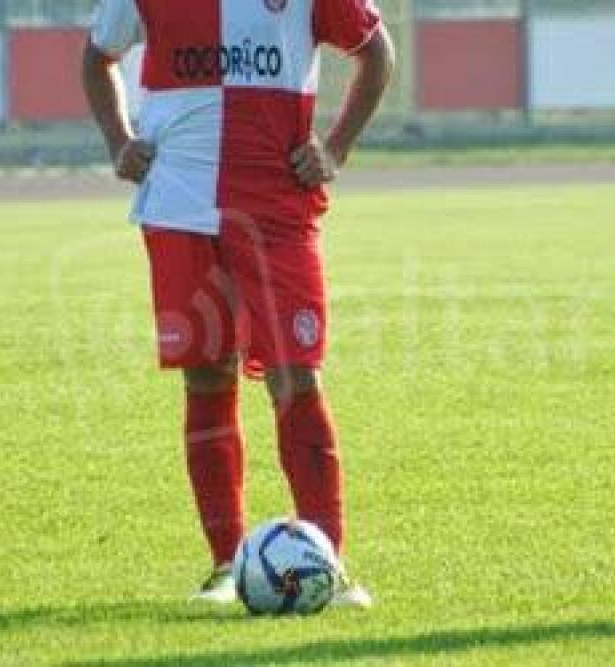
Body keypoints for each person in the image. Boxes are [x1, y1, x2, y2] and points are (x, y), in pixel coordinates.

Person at [82, 0, 394, 605]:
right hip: (180, 204)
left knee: (296, 377)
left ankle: (327, 563)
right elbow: (97, 56)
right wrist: (119, 140)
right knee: (207, 375)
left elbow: (376, 51)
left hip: (277, 209)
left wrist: (335, 148)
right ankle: (227, 565)